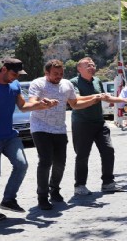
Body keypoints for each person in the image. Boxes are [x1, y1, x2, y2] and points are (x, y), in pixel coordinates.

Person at [0, 58, 54, 217]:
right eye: (14, 73)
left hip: (9, 136)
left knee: (21, 164)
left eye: (18, 74)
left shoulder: (14, 85)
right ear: (3, 69)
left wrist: (42, 105)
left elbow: (23, 107)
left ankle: (8, 200)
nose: (16, 77)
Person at [27, 59, 103, 210]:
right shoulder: (38, 83)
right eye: (55, 74)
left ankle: (54, 188)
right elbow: (31, 102)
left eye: (61, 73)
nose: (59, 76)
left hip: (59, 129)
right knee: (45, 161)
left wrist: (94, 101)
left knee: (60, 163)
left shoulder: (67, 84)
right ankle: (42, 196)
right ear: (46, 73)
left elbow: (75, 104)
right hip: (40, 127)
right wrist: (44, 102)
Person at [69, 57, 127, 195]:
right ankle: (80, 186)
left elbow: (105, 97)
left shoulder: (97, 80)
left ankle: (108, 183)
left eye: (93, 64)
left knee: (108, 150)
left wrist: (124, 99)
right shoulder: (73, 82)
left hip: (99, 122)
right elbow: (75, 100)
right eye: (87, 65)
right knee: (82, 155)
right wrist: (96, 97)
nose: (91, 67)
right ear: (79, 69)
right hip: (82, 123)